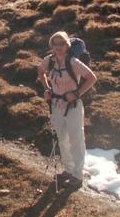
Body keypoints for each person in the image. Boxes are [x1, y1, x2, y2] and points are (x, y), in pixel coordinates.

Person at [37, 31, 97, 188]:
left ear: (67, 45)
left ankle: (77, 175)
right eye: (55, 44)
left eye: (61, 44)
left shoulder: (73, 62)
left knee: (76, 139)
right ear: (52, 46)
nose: (58, 47)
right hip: (56, 104)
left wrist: (77, 94)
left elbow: (92, 78)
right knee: (62, 139)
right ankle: (69, 170)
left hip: (73, 106)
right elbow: (40, 70)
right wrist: (47, 89)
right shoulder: (49, 61)